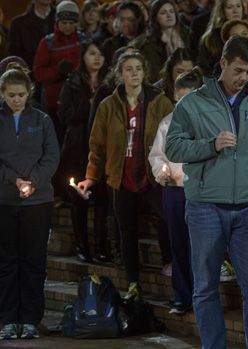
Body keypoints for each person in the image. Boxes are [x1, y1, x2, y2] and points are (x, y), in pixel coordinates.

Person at [165, 36, 248, 349]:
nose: (243, 77)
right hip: (204, 208)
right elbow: (173, 147)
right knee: (205, 287)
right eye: (238, 70)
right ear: (223, 64)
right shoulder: (192, 103)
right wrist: (210, 145)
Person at [77, 51, 174, 298]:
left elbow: (172, 136)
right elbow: (97, 145)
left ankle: (172, 263)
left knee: (169, 217)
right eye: (129, 69)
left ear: (145, 73)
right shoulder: (108, 105)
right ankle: (133, 283)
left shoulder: (159, 101)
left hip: (152, 175)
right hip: (121, 177)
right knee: (126, 231)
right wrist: (91, 177)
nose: (134, 74)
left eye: (138, 69)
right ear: (120, 74)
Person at [0, 66, 59, 340]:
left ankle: (31, 319)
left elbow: (51, 156)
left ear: (29, 93)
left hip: (38, 202)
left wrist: (33, 181)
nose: (16, 99)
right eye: (11, 95)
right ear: (2, 94)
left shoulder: (42, 120)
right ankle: (8, 319)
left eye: (21, 94)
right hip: (5, 201)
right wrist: (15, 181)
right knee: (6, 261)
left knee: (34, 261)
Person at [148, 67, 204, 315]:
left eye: (188, 99)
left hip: (201, 191)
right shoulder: (167, 124)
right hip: (174, 191)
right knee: (178, 244)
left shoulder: (207, 123)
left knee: (200, 245)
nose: (183, 105)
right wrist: (161, 170)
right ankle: (182, 295)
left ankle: (202, 294)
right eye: (178, 100)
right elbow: (157, 154)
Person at [57, 41, 109, 263]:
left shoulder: (108, 84)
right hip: (77, 150)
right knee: (79, 200)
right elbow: (64, 115)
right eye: (91, 54)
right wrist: (89, 105)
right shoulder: (73, 82)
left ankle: (100, 246)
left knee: (101, 200)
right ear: (83, 57)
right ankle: (82, 246)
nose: (97, 58)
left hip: (101, 148)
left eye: (100, 54)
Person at [33, 0, 85, 144]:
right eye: (64, 23)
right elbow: (38, 72)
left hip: (77, 102)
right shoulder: (47, 43)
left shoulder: (83, 40)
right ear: (57, 22)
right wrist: (57, 71)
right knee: (56, 140)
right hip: (54, 102)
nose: (68, 26)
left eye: (71, 23)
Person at [136, 0, 190, 82]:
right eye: (163, 13)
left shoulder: (187, 35)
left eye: (171, 11)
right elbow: (154, 75)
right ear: (155, 18)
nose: (169, 15)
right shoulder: (150, 44)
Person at [197, 0, 247, 74]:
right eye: (230, 7)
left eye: (238, 6)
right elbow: (204, 68)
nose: (235, 11)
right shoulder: (210, 39)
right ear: (222, 11)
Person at [8, 0, 56, 68]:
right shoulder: (18, 24)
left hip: (60, 75)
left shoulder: (64, 21)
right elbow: (14, 57)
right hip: (29, 74)